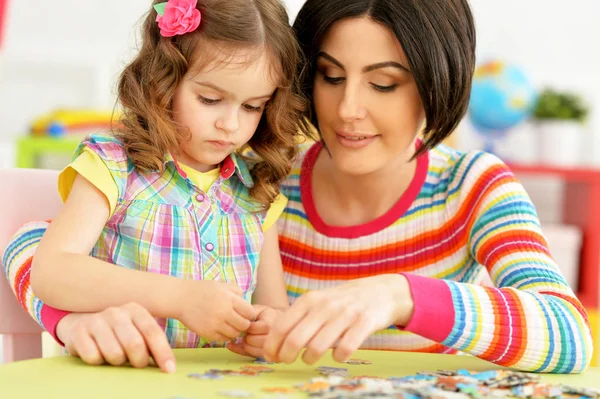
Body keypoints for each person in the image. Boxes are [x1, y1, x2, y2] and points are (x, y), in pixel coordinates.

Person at [4, 0, 593, 374]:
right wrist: (68, 318)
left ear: (438, 83)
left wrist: (402, 296)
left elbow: (570, 337)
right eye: (331, 78)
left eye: (384, 84)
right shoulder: (256, 176)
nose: (348, 110)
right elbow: (34, 241)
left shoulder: (474, 186)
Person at [2, 0, 306, 373]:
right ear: (165, 80)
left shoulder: (257, 191)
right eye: (210, 99)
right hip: (120, 380)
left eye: (253, 106)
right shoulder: (114, 166)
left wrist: (268, 329)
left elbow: (273, 307)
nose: (231, 124)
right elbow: (52, 272)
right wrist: (181, 298)